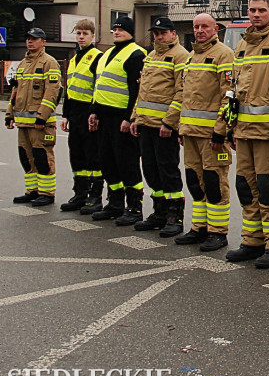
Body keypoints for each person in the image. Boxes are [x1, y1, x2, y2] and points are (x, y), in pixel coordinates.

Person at [220, 0, 269, 268]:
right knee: (247, 187)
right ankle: (253, 241)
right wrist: (230, 127)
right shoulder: (242, 44)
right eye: (252, 10)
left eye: (261, 10)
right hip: (244, 132)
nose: (255, 14)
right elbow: (234, 90)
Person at [164, 13, 235, 252]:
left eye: (205, 26)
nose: (199, 30)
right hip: (190, 133)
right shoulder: (192, 57)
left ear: (216, 28)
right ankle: (199, 227)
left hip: (211, 136)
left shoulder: (224, 55)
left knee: (215, 183)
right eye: (196, 27)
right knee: (195, 182)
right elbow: (185, 96)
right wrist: (180, 127)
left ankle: (217, 232)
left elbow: (229, 96)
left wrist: (220, 131)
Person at [129, 17, 190, 236]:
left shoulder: (181, 56)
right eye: (156, 33)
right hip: (146, 124)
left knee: (168, 171)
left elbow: (181, 92)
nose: (159, 37)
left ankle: (175, 216)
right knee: (151, 171)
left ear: (173, 34)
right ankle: (160, 212)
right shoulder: (151, 56)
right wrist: (135, 117)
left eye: (163, 33)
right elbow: (142, 91)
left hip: (164, 126)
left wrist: (169, 122)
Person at [87, 17, 147, 223]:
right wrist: (94, 111)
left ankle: (134, 207)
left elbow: (137, 90)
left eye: (121, 29)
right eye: (114, 29)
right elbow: (99, 85)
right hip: (104, 116)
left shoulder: (136, 54)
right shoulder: (106, 55)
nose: (117, 32)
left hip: (122, 118)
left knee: (127, 163)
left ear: (130, 31)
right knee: (107, 161)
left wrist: (129, 118)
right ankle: (115, 204)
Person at [6, 27, 62, 206]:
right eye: (28, 38)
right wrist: (9, 114)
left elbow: (53, 92)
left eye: (35, 39)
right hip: (23, 122)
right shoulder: (22, 63)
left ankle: (47, 193)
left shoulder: (49, 63)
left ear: (43, 42)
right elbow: (15, 91)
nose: (30, 41)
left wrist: (42, 117)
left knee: (42, 157)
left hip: (40, 123)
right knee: (26, 157)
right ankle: (32, 191)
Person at [59, 19, 103, 212]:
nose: (81, 37)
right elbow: (69, 89)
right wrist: (65, 115)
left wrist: (94, 112)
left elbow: (99, 88)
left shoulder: (97, 57)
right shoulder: (74, 59)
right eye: (78, 33)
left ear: (93, 36)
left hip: (89, 111)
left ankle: (95, 196)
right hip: (75, 112)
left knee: (92, 155)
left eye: (85, 33)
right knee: (76, 155)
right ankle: (79, 193)